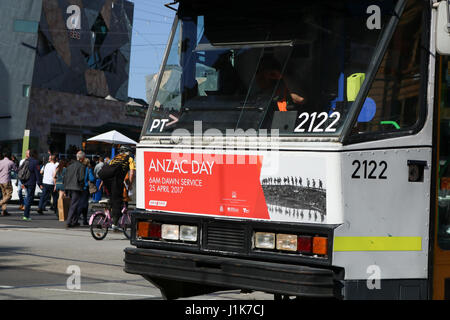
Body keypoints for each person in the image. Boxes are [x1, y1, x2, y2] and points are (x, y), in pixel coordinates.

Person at [103, 146, 135, 231]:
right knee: (118, 200)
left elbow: (109, 169)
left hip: (107, 179)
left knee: (113, 198)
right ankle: (115, 223)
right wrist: (130, 184)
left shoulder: (115, 158)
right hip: (116, 180)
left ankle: (108, 213)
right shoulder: (129, 158)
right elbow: (131, 173)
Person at [64, 151, 86, 228]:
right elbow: (81, 178)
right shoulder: (81, 166)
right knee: (75, 205)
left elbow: (65, 177)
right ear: (82, 158)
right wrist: (82, 185)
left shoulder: (70, 166)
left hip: (68, 187)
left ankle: (73, 221)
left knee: (73, 204)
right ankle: (69, 221)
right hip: (76, 187)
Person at [22, 149, 43, 221]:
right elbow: (37, 174)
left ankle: (26, 214)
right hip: (31, 182)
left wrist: (22, 182)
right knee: (29, 199)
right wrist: (40, 183)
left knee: (28, 197)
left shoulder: (26, 161)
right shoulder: (35, 162)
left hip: (25, 181)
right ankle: (26, 215)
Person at [0, 151, 17, 216]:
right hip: (7, 181)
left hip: (0, 181)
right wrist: (14, 161)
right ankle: (0, 203)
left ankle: (4, 211)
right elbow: (16, 170)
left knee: (4, 195)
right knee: (9, 195)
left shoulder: (0, 162)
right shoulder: (10, 162)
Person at [79, 158, 95, 226]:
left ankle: (78, 217)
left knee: (80, 203)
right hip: (85, 188)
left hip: (79, 188)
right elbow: (92, 178)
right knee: (85, 205)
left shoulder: (80, 168)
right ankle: (84, 220)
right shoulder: (88, 169)